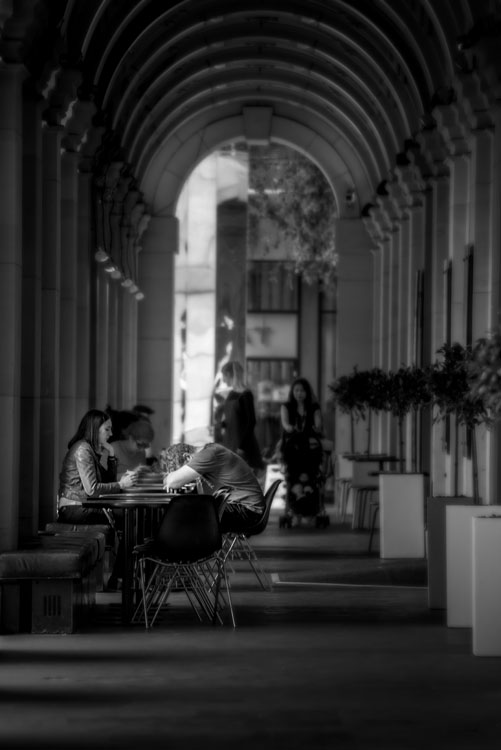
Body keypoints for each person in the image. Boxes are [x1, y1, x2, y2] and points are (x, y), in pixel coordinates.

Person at [57, 409, 137, 590]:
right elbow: (92, 490)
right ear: (95, 429)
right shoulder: (83, 450)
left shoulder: (88, 449)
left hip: (82, 507)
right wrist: (122, 485)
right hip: (75, 510)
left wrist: (111, 454)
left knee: (131, 519)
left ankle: (120, 578)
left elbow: (107, 481)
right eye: (107, 429)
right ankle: (120, 578)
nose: (111, 433)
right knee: (131, 520)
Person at [163, 442, 265, 533]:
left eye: (182, 470)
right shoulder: (210, 452)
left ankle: (191, 552)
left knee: (187, 515)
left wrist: (170, 479)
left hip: (248, 512)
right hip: (244, 508)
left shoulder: (208, 455)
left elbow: (173, 482)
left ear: (187, 457)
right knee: (189, 511)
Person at [279, 378, 324, 521]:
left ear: (307, 392)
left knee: (313, 474)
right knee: (292, 474)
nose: (299, 393)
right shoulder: (286, 406)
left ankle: (311, 505)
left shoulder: (314, 407)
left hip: (310, 447)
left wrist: (317, 427)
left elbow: (318, 423)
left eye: (302, 390)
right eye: (296, 390)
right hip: (293, 447)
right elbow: (285, 424)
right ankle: (294, 505)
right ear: (292, 392)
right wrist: (290, 428)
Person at [217, 360, 264, 474]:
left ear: (229, 375)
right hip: (231, 444)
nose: (223, 380)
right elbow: (233, 420)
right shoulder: (231, 394)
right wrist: (220, 425)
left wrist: (242, 446)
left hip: (243, 447)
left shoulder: (246, 394)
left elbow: (251, 422)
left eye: (224, 376)